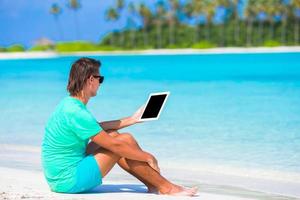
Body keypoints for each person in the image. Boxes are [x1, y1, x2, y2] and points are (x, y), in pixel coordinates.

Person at [41, 57, 197, 196]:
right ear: (90, 80)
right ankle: (166, 187)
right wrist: (148, 157)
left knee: (114, 134)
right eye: (100, 79)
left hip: (59, 176)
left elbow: (97, 127)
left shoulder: (68, 104)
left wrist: (132, 119)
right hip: (68, 179)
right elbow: (115, 146)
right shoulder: (77, 112)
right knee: (121, 142)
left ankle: (153, 184)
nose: (100, 83)